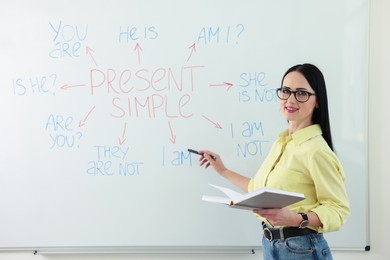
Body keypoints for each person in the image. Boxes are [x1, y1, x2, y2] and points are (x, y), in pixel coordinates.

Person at [198, 63, 350, 260]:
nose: (290, 100)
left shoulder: (316, 151)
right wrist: (223, 170)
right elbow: (258, 188)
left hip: (302, 249)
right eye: (286, 91)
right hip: (271, 245)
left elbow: (338, 210)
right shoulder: (282, 143)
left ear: (318, 101)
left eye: (301, 93)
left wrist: (295, 219)